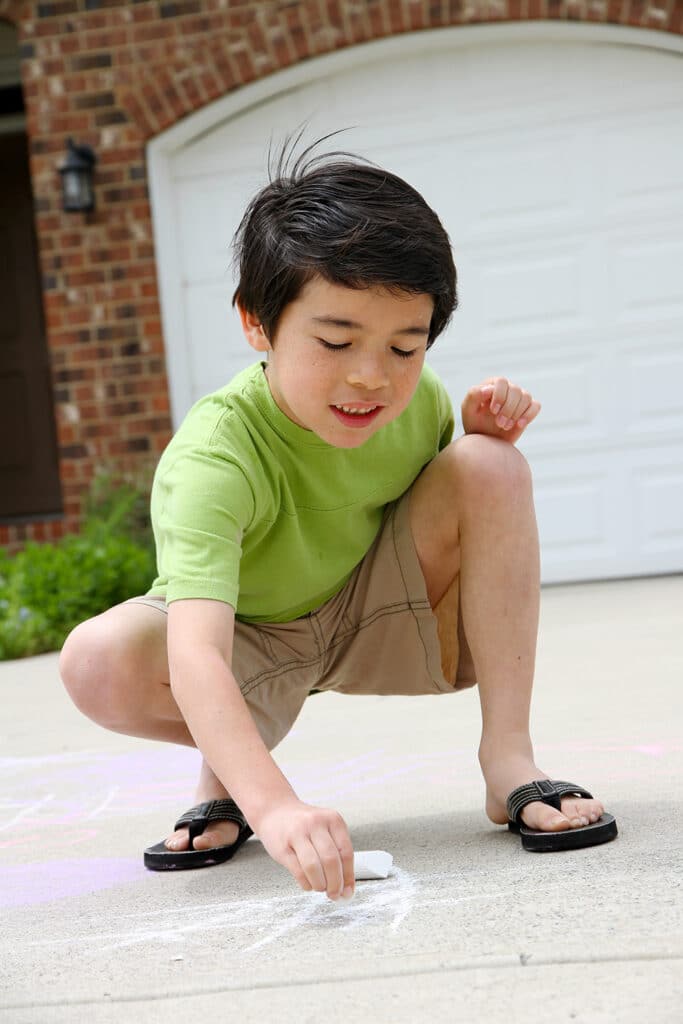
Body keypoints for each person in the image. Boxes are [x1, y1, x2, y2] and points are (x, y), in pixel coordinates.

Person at [59, 135, 616, 903]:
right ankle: (227, 780)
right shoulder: (212, 460)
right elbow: (197, 656)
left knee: (491, 467)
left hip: (370, 615)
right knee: (96, 658)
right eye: (335, 339)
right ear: (257, 322)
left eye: (404, 344)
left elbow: (455, 522)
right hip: (251, 642)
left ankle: (508, 761)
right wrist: (274, 804)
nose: (370, 376)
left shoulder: (417, 405)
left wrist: (481, 440)